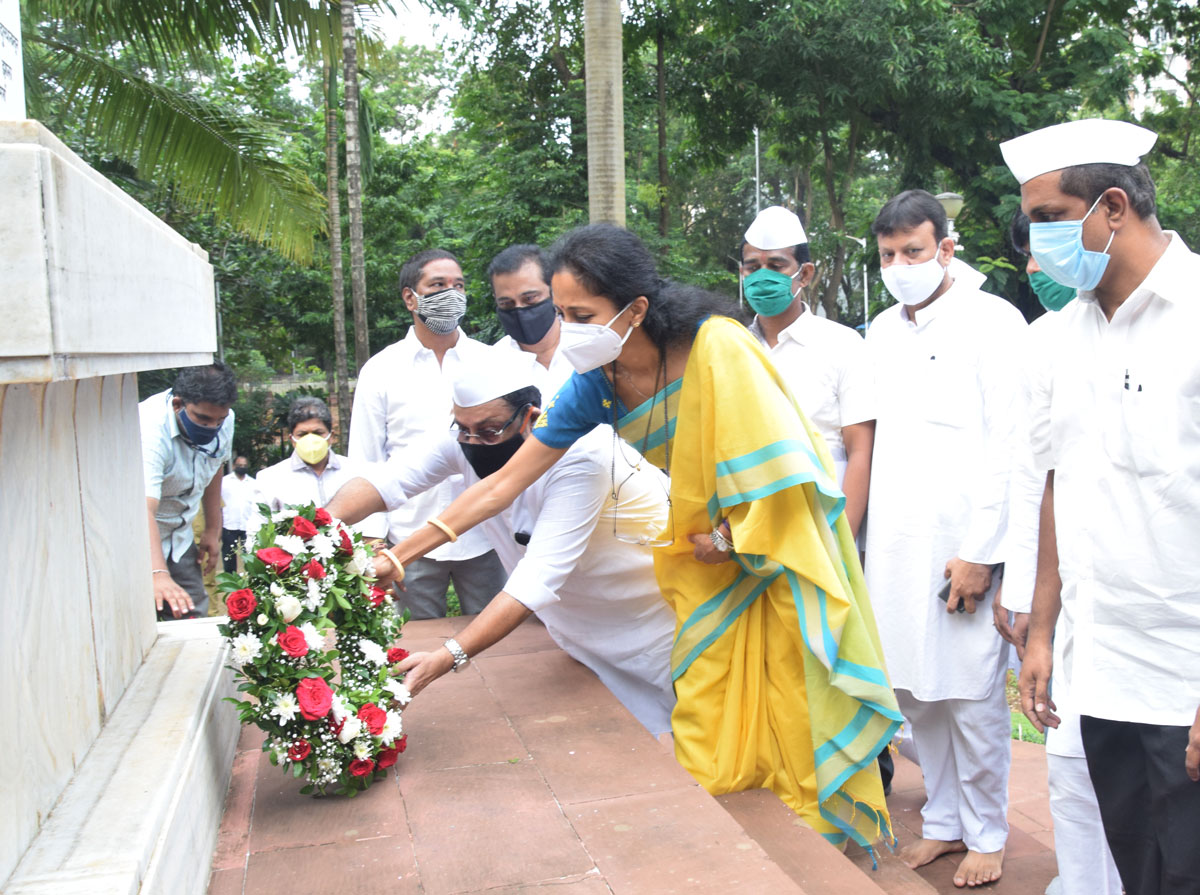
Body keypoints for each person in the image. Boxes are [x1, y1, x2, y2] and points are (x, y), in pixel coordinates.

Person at [346, 224, 901, 854]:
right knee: (713, 720)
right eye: (562, 314)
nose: (567, 329)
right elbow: (502, 485)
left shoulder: (717, 346)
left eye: (582, 315)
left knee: (803, 693)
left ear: (635, 308)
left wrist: (731, 534)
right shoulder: (597, 381)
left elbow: (781, 462)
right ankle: (763, 839)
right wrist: (396, 555)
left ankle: (834, 823)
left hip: (777, 546)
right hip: (705, 568)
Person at [1003, 118, 1200, 895]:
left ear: (1112, 206)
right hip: (1104, 670)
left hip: (1187, 674)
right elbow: (1059, 483)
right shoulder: (1058, 338)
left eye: (1050, 218)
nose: (1037, 239)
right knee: (1140, 873)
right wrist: (1044, 631)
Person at [331, 356, 677, 733]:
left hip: (652, 623)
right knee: (628, 737)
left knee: (694, 737)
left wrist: (447, 657)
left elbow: (534, 581)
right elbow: (386, 482)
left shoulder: (584, 456)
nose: (474, 442)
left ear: (530, 418)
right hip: (580, 627)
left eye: (490, 430)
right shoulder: (464, 437)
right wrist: (314, 529)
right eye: (463, 428)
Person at [864, 189, 1027, 887]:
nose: (901, 265)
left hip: (963, 546)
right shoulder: (880, 330)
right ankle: (943, 820)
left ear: (947, 248)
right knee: (915, 692)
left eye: (914, 252)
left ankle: (988, 831)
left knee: (970, 693)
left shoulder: (994, 321)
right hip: (895, 546)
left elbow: (1012, 445)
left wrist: (981, 551)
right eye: (888, 255)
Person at [1000, 211, 1121, 895]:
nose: (1038, 266)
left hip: (1147, 596)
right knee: (1068, 760)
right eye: (1030, 252)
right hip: (1063, 587)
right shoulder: (1044, 341)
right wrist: (1026, 598)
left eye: (1050, 234)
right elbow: (1033, 478)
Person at [349, 248, 507, 620]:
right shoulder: (381, 370)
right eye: (438, 285)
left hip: (486, 535)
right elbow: (366, 457)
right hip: (409, 537)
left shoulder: (492, 362)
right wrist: (373, 537)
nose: (451, 294)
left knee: (500, 644)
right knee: (414, 641)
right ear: (410, 297)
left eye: (459, 286)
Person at [741, 206, 875, 539]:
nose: (762, 276)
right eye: (752, 267)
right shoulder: (734, 345)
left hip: (822, 516)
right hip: (745, 519)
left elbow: (860, 449)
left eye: (775, 265)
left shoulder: (842, 344)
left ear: (804, 274)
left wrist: (845, 540)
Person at [140, 363, 237, 619]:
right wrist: (157, 574)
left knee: (192, 614)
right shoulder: (149, 429)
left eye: (219, 419)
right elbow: (142, 509)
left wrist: (212, 529)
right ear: (178, 404)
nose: (212, 426)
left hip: (180, 535)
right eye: (203, 419)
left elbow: (216, 464)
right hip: (138, 539)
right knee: (141, 620)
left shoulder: (224, 418)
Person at [250, 397, 386, 539]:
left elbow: (375, 520)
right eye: (302, 434)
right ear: (292, 439)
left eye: (318, 433)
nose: (311, 440)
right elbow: (257, 532)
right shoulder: (270, 479)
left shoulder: (356, 473)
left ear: (331, 436)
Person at [488, 244, 577, 399]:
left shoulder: (589, 346)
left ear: (553, 290)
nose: (519, 310)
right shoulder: (492, 365)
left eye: (529, 299)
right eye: (506, 304)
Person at [220, 456, 255, 573]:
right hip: (229, 524)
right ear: (234, 466)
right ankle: (231, 580)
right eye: (239, 465)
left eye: (244, 466)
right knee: (228, 555)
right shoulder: (224, 482)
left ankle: (251, 581)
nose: (242, 468)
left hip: (248, 525)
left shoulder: (253, 483)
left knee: (249, 555)